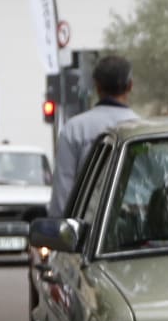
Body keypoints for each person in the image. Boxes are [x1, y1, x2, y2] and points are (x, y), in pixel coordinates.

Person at [50, 55, 137, 223]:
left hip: (86, 237)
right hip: (134, 234)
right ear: (130, 86)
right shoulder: (140, 128)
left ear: (96, 85)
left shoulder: (74, 129)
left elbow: (62, 196)